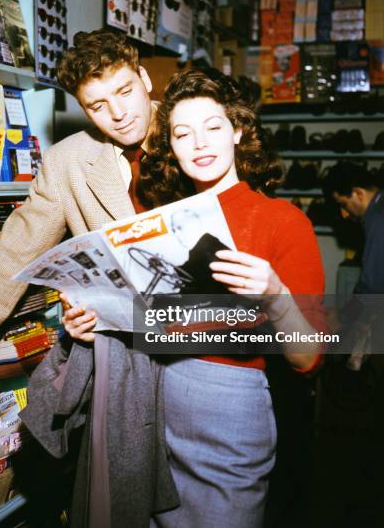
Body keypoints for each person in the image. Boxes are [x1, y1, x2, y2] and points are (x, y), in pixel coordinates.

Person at [64, 69, 326, 528]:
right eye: (183, 134)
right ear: (170, 147)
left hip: (229, 408)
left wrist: (275, 294)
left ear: (239, 131)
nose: (200, 144)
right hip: (149, 397)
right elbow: (141, 317)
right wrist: (90, 318)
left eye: (213, 127)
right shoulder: (157, 221)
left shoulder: (282, 221)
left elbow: (308, 359)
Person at [0, 29, 156, 381]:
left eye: (125, 91)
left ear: (145, 79)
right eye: (97, 105)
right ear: (84, 110)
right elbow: (18, 248)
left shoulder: (200, 133)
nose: (118, 113)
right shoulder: (66, 161)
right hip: (125, 358)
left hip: (210, 341)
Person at [323, 161, 384, 293]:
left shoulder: (378, 220)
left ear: (358, 193)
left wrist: (346, 313)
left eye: (343, 204)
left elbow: (372, 287)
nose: (344, 214)